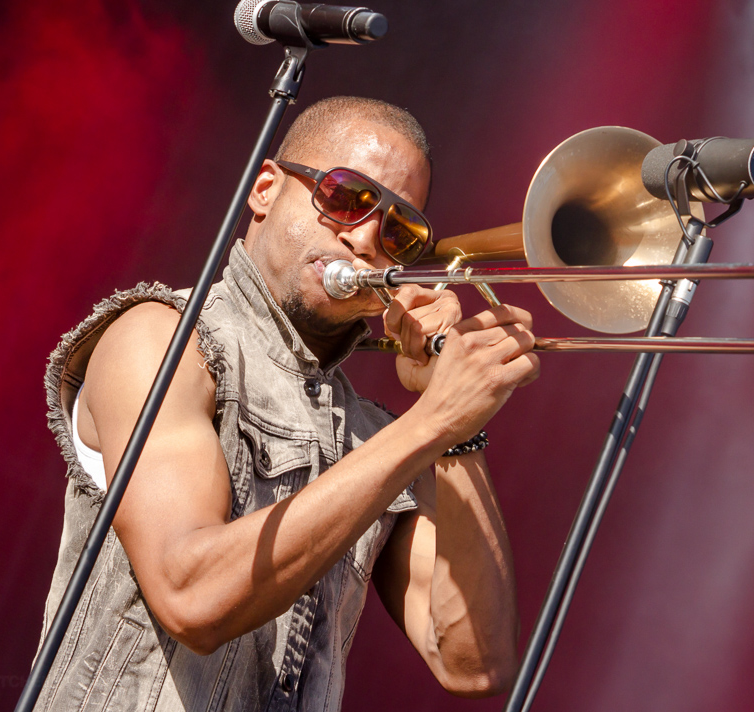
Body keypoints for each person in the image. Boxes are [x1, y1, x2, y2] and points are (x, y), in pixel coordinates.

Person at [35, 96, 540, 711]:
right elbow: (190, 596)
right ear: (267, 189)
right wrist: (430, 423)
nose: (364, 239)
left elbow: (476, 666)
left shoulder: (372, 433)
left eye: (399, 233)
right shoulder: (162, 337)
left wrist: (459, 429)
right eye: (346, 197)